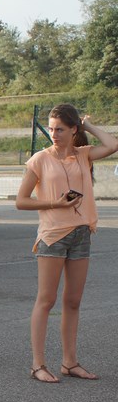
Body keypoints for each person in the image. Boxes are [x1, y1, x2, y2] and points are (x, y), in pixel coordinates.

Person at [15, 104, 118, 384]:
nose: (53, 134)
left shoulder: (83, 155)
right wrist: (55, 203)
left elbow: (113, 145)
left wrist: (89, 126)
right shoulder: (40, 159)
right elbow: (21, 201)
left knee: (73, 301)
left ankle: (69, 362)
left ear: (74, 130)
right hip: (53, 235)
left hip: (81, 233)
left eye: (59, 129)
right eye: (51, 129)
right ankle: (37, 365)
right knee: (46, 300)